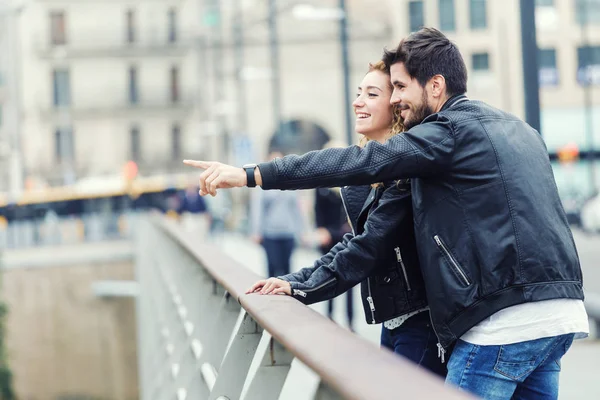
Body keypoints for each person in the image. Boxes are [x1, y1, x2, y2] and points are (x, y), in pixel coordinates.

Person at [185, 27, 589, 399]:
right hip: (560, 314)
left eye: (398, 87)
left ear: (436, 85)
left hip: (502, 323)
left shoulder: (445, 134)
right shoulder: (519, 129)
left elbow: (358, 170)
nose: (395, 99)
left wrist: (250, 174)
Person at [248, 60, 445, 376]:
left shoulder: (406, 174)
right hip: (394, 319)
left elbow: (366, 247)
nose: (357, 102)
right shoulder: (369, 176)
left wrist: (300, 288)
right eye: (358, 93)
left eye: (371, 94)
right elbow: (355, 238)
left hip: (422, 322)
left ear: (395, 106)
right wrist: (291, 281)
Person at [313, 140, 354, 329]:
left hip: (345, 235)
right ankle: (329, 316)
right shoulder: (322, 185)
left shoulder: (351, 181)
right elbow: (317, 213)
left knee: (350, 277)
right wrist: (321, 231)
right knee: (328, 274)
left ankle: (350, 319)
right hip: (327, 237)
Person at [249, 150, 304, 278]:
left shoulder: (291, 183)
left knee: (287, 269)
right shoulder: (262, 186)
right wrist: (256, 231)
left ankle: (286, 297)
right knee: (272, 268)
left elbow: (296, 209)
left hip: (288, 232)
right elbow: (257, 209)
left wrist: (301, 231)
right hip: (270, 233)